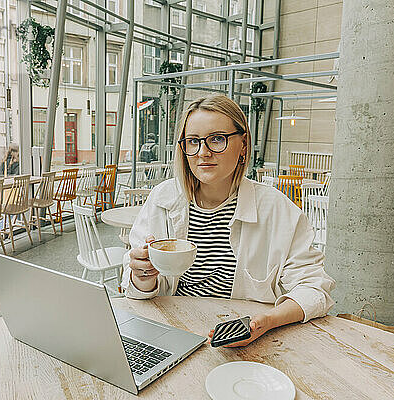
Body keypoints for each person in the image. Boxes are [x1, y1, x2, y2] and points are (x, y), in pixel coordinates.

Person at [121, 95, 335, 347]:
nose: (203, 152)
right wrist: (143, 275)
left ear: (243, 144)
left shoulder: (276, 209)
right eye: (193, 142)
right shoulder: (162, 199)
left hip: (251, 342)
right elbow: (135, 290)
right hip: (174, 335)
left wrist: (267, 320)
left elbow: (314, 289)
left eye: (217, 139)